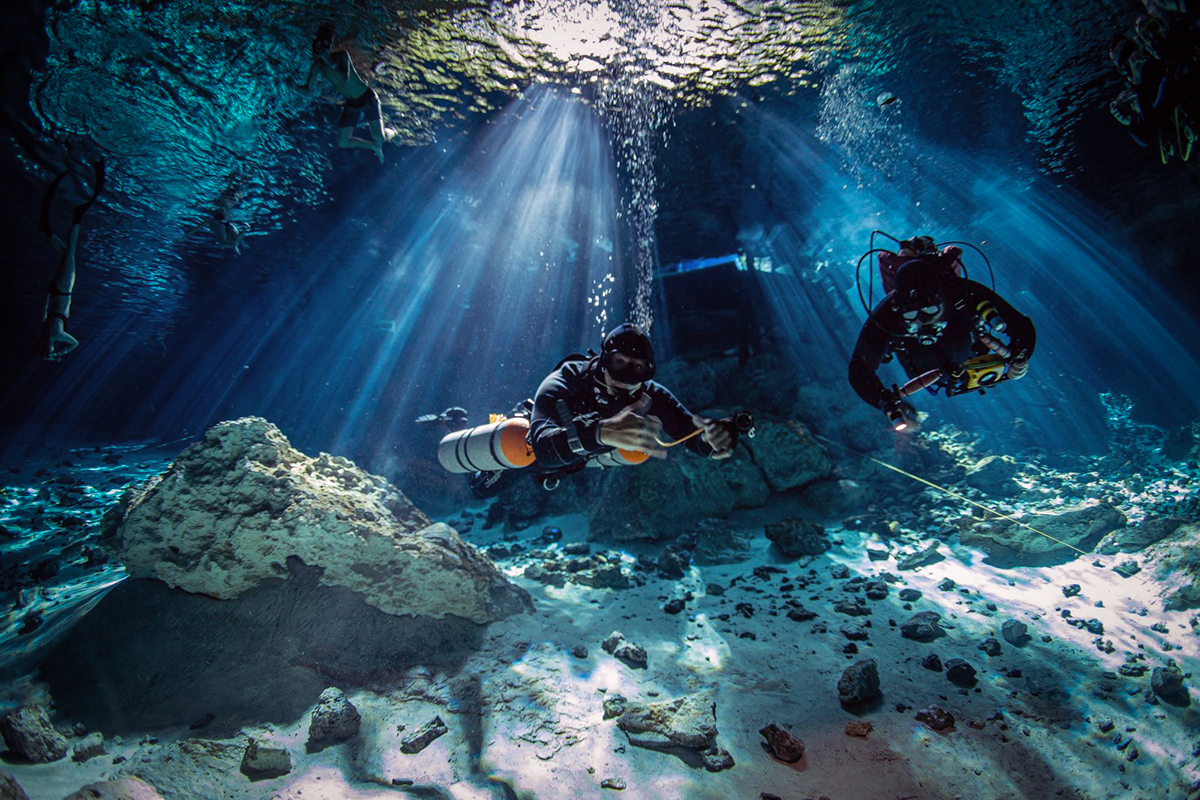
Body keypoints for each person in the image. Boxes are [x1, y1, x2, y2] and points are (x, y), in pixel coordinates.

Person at [470, 323, 736, 498]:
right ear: (603, 360)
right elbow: (542, 448)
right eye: (619, 362)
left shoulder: (649, 394)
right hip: (537, 449)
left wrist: (714, 439)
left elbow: (691, 435)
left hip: (576, 460)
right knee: (484, 486)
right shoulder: (566, 380)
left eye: (638, 368)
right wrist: (601, 432)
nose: (627, 376)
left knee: (636, 454)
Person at [848, 258, 1036, 431]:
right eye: (912, 315)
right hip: (927, 370)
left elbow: (1020, 325)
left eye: (930, 310)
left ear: (942, 297)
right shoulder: (887, 314)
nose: (924, 320)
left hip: (960, 360)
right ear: (899, 307)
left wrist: (1022, 355)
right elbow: (859, 366)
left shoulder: (963, 293)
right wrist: (883, 400)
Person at [35, 160, 105, 362]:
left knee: (71, 250)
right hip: (56, 289)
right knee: (67, 253)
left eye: (50, 350)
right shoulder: (41, 330)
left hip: (65, 288)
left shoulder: (57, 335)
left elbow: (75, 343)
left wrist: (61, 353)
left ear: (47, 346)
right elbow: (43, 307)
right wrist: (48, 290)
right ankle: (46, 229)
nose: (52, 349)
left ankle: (78, 217)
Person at [298, 24, 395, 163]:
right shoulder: (317, 66)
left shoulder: (342, 56)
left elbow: (345, 77)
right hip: (352, 103)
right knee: (342, 142)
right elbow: (308, 89)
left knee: (379, 136)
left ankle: (393, 133)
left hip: (367, 97)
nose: (323, 48)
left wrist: (328, 60)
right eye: (320, 44)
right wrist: (294, 86)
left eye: (326, 44)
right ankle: (373, 147)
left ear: (330, 45)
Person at [876, 235, 964, 296]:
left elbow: (954, 250)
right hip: (910, 306)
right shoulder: (942, 263)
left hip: (944, 297)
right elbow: (883, 257)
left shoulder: (941, 264)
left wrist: (909, 253)